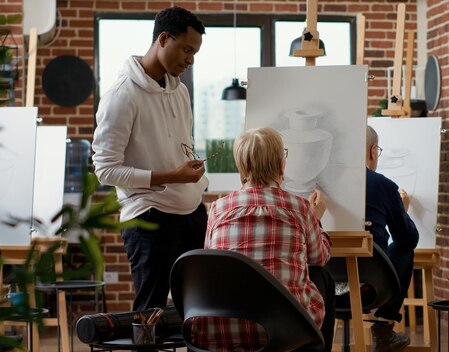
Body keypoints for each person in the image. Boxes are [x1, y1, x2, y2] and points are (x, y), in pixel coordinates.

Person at [92, 6, 208, 311]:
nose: (190, 60)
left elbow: (185, 143)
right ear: (163, 38)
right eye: (186, 49)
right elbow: (105, 170)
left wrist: (197, 177)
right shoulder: (122, 94)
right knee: (150, 315)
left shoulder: (179, 91)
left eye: (194, 53)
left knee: (199, 312)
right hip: (149, 217)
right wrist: (171, 176)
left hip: (192, 213)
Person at [192, 127, 336, 351]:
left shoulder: (218, 209)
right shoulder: (300, 207)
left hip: (224, 329)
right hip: (287, 331)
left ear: (241, 170)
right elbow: (320, 256)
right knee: (321, 275)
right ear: (281, 165)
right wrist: (315, 219)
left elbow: (213, 262)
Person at [365, 125, 419, 351]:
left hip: (328, 285)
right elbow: (408, 239)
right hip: (371, 288)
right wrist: (402, 210)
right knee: (403, 248)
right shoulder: (383, 185)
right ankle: (384, 331)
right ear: (373, 151)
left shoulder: (322, 185)